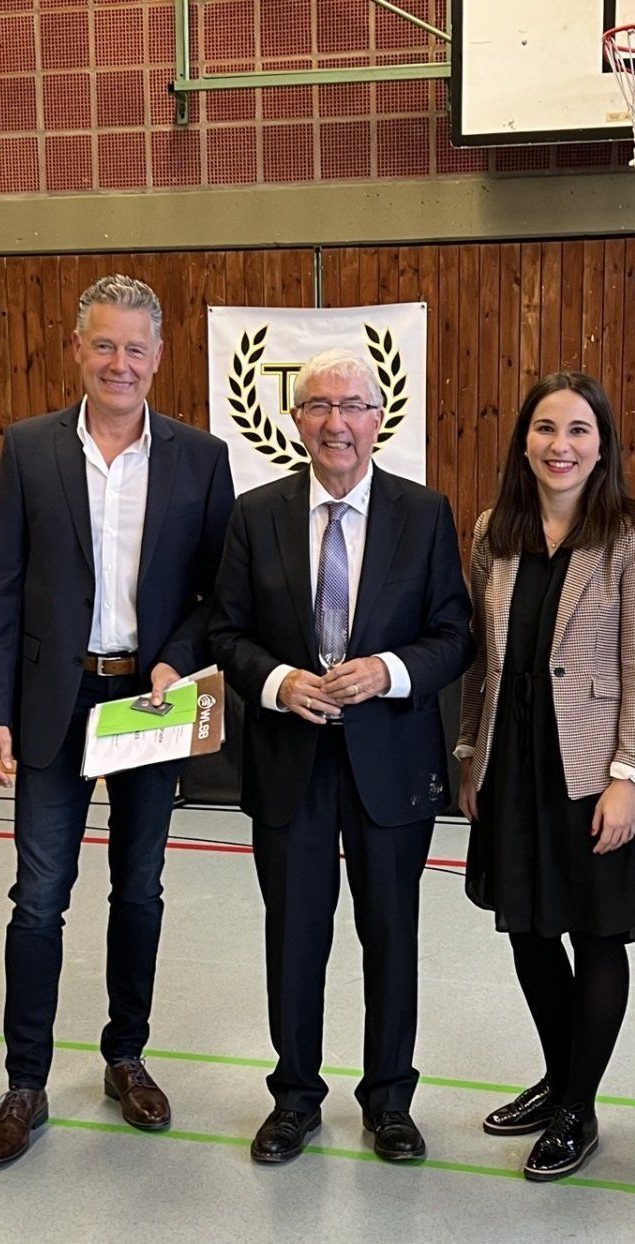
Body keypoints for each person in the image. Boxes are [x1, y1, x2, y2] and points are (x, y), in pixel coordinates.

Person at [0, 275, 235, 1169]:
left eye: (136, 348)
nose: (120, 363)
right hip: (55, 700)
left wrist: (177, 657)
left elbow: (218, 592)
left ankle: (127, 1055)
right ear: (77, 349)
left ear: (159, 358)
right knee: (39, 896)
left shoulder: (200, 458)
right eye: (105, 345)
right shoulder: (28, 449)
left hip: (148, 701)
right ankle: (25, 1081)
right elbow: (1, 586)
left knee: (139, 888)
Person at [208, 348, 473, 1166]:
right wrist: (279, 681)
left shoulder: (424, 514)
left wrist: (387, 671)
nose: (336, 424)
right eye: (319, 407)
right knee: (294, 936)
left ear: (378, 419)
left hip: (389, 762)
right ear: (296, 421)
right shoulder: (255, 515)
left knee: (390, 934)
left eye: (352, 406)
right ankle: (294, 1099)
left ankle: (390, 1100)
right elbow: (224, 631)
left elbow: (454, 634)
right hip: (290, 760)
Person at [455, 372, 635, 1181]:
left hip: (591, 770)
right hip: (512, 763)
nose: (561, 445)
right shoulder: (495, 531)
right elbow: (482, 660)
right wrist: (470, 753)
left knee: (597, 935)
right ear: (524, 442)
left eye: (579, 430)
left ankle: (580, 1106)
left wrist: (628, 776)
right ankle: (557, 1079)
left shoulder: (632, 531)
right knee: (529, 930)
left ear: (601, 445)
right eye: (546, 428)